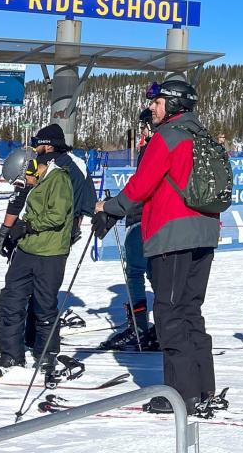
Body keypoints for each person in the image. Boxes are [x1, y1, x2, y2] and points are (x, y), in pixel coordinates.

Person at [92, 79, 221, 415]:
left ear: (174, 104)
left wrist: (109, 207)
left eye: (158, 102)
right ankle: (202, 387)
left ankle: (181, 396)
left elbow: (139, 187)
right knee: (190, 311)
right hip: (204, 232)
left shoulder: (168, 137)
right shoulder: (200, 135)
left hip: (172, 235)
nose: (152, 107)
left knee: (169, 315)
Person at [0, 149, 74, 379]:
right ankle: (11, 353)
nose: (24, 183)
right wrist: (12, 233)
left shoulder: (59, 180)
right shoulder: (34, 185)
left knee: (44, 304)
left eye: (24, 177)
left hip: (50, 253)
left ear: (32, 168)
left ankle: (46, 352)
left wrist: (27, 225)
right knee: (11, 300)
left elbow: (57, 215)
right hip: (27, 250)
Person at [100, 108, 159, 351]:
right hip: (155, 221)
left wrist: (114, 206)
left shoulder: (153, 148)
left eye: (144, 126)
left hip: (143, 220)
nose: (143, 132)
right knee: (157, 275)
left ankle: (140, 328)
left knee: (136, 273)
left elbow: (141, 187)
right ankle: (164, 326)